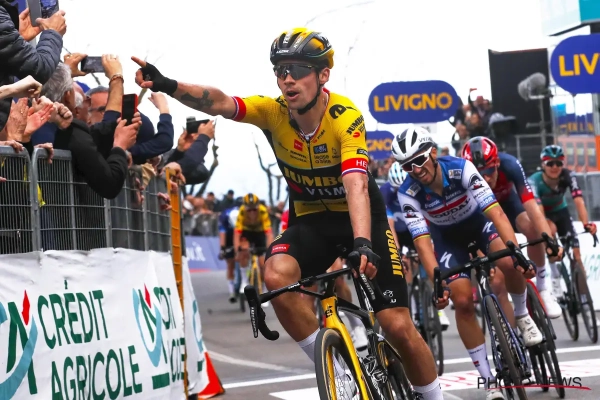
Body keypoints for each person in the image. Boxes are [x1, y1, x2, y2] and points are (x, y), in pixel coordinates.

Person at [131, 27, 443, 399]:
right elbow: (219, 102)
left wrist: (362, 242)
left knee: (397, 326)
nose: (287, 79)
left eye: (298, 69)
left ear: (323, 74)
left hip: (360, 219)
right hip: (311, 222)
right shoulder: (272, 112)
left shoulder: (345, 117)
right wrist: (167, 84)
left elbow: (356, 184)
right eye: (281, 70)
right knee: (275, 275)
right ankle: (337, 372)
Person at [394, 125, 542, 400]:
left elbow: (496, 213)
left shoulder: (461, 169)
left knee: (509, 262)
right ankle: (488, 379)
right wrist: (437, 283)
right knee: (461, 302)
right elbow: (423, 243)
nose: (415, 170)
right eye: (407, 166)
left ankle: (522, 315)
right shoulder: (408, 193)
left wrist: (517, 253)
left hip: (479, 225)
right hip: (448, 240)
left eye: (419, 160)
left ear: (433, 153)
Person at [461, 137, 563, 318]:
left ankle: (542, 287)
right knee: (498, 279)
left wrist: (549, 240)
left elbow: (532, 206)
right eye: (478, 173)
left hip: (508, 205)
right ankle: (515, 323)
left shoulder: (510, 165)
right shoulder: (461, 177)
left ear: (497, 163)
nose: (485, 178)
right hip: (482, 216)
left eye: (489, 170)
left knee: (531, 227)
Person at [382, 161, 450, 330]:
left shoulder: (416, 189)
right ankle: (412, 309)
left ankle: (439, 309)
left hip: (419, 229)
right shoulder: (385, 193)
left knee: (429, 260)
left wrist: (430, 243)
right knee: (405, 266)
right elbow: (390, 227)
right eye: (396, 190)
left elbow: (428, 220)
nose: (400, 193)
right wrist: (397, 251)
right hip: (401, 234)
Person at [528, 145, 597, 297]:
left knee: (577, 256)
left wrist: (586, 224)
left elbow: (579, 201)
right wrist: (547, 237)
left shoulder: (568, 176)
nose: (555, 167)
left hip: (561, 212)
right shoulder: (534, 181)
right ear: (543, 164)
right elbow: (538, 211)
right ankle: (555, 277)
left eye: (559, 163)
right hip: (544, 215)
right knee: (550, 233)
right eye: (550, 163)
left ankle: (584, 299)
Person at [234, 193, 274, 300]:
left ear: (258, 207)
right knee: (243, 250)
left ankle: (264, 289)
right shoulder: (241, 211)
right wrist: (237, 250)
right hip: (247, 232)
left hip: (259, 233)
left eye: (254, 209)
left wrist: (269, 250)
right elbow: (237, 233)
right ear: (245, 208)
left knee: (263, 264)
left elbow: (269, 233)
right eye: (249, 210)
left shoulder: (263, 211)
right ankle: (244, 280)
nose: (252, 212)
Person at [218, 204, 240, 303]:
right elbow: (222, 233)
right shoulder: (225, 217)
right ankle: (232, 291)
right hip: (229, 236)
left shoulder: (244, 215)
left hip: (241, 232)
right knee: (230, 264)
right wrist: (223, 249)